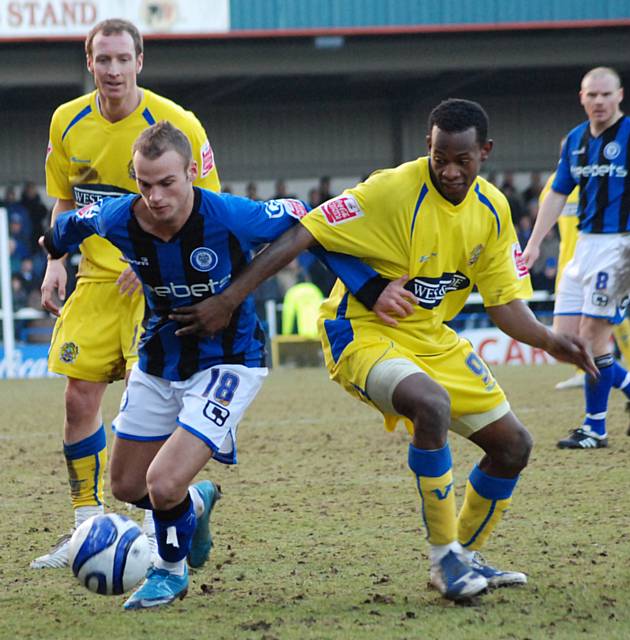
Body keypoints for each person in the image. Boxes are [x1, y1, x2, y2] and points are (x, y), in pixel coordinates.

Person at [169, 99, 596, 602]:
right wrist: (229, 298)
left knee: (514, 447)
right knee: (430, 404)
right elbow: (304, 231)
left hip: (432, 339)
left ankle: (462, 553)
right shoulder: (391, 189)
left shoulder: (493, 209)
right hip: (362, 331)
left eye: (463, 160)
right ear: (428, 149)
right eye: (440, 158)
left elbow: (503, 304)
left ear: (485, 152)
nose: (450, 170)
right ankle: (445, 561)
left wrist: (550, 340)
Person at [42, 121, 397, 608]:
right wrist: (55, 248)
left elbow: (310, 224)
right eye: (145, 185)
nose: (156, 197)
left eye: (167, 183)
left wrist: (369, 287)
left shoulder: (230, 215)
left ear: (192, 172)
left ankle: (169, 572)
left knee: (162, 483)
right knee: (126, 485)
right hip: (159, 359)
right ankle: (195, 503)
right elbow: (73, 223)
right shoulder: (120, 217)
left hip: (230, 362)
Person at [31, 18, 222, 570]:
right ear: (88, 62)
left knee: (149, 406)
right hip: (94, 280)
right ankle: (85, 527)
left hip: (157, 285)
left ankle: (154, 524)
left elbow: (208, 209)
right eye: (102, 59)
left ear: (141, 60)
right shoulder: (67, 122)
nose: (112, 70)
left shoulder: (175, 123)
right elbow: (65, 203)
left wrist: (156, 258)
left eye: (122, 59)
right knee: (77, 400)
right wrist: (55, 260)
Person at [524, 67, 630, 449]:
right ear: (582, 98)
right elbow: (556, 193)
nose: (599, 101)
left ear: (619, 95)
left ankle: (595, 428)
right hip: (584, 247)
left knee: (591, 337)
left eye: (606, 94)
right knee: (565, 342)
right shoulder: (574, 140)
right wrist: (535, 242)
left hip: (621, 249)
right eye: (592, 95)